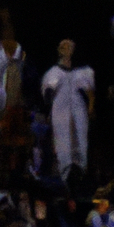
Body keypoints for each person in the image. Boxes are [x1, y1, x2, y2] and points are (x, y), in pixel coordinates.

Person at [41, 40, 94, 187]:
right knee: (63, 144)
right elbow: (48, 95)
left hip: (78, 110)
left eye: (69, 47)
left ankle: (81, 174)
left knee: (80, 141)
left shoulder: (81, 71)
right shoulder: (53, 72)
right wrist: (49, 112)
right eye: (63, 47)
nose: (66, 49)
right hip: (60, 111)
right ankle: (66, 179)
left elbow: (90, 93)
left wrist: (90, 107)